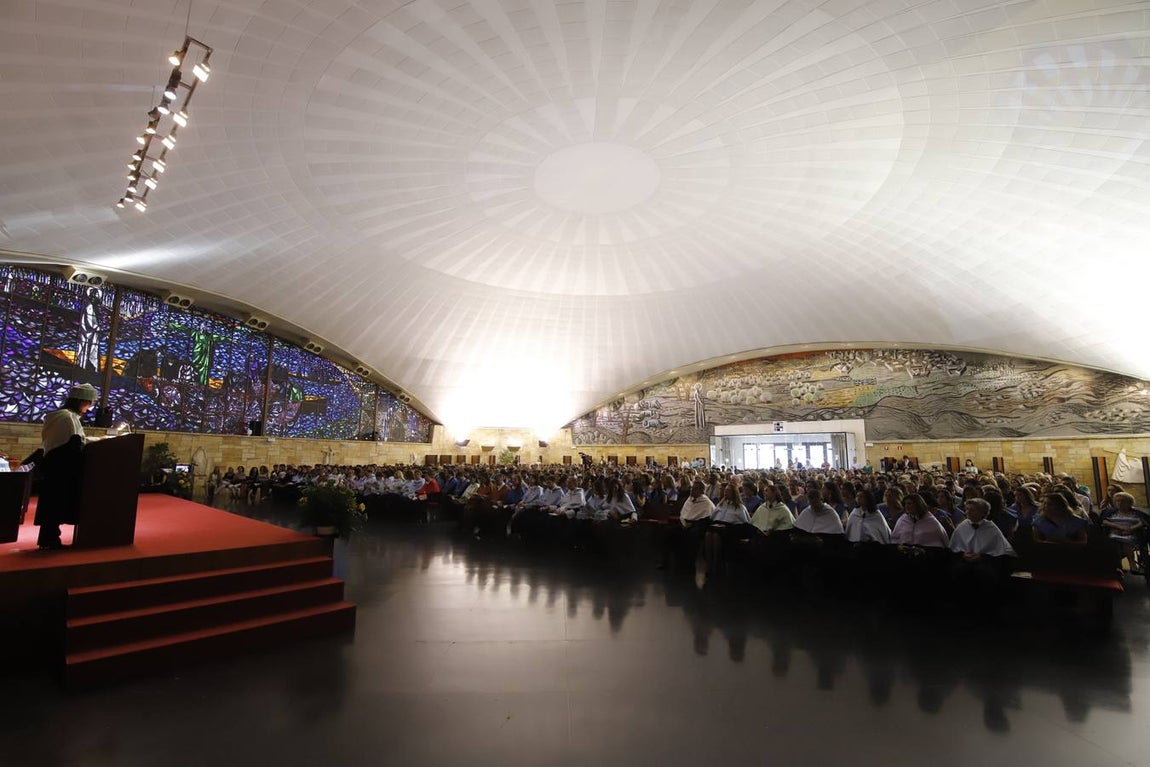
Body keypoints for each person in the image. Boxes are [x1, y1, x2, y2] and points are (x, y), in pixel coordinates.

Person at [35, 383, 99, 549]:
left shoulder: (59, 415)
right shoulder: (68, 418)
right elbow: (74, 443)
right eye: (89, 403)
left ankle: (48, 539)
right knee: (56, 504)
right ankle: (50, 540)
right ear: (81, 401)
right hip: (62, 467)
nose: (89, 407)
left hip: (54, 463)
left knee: (52, 503)